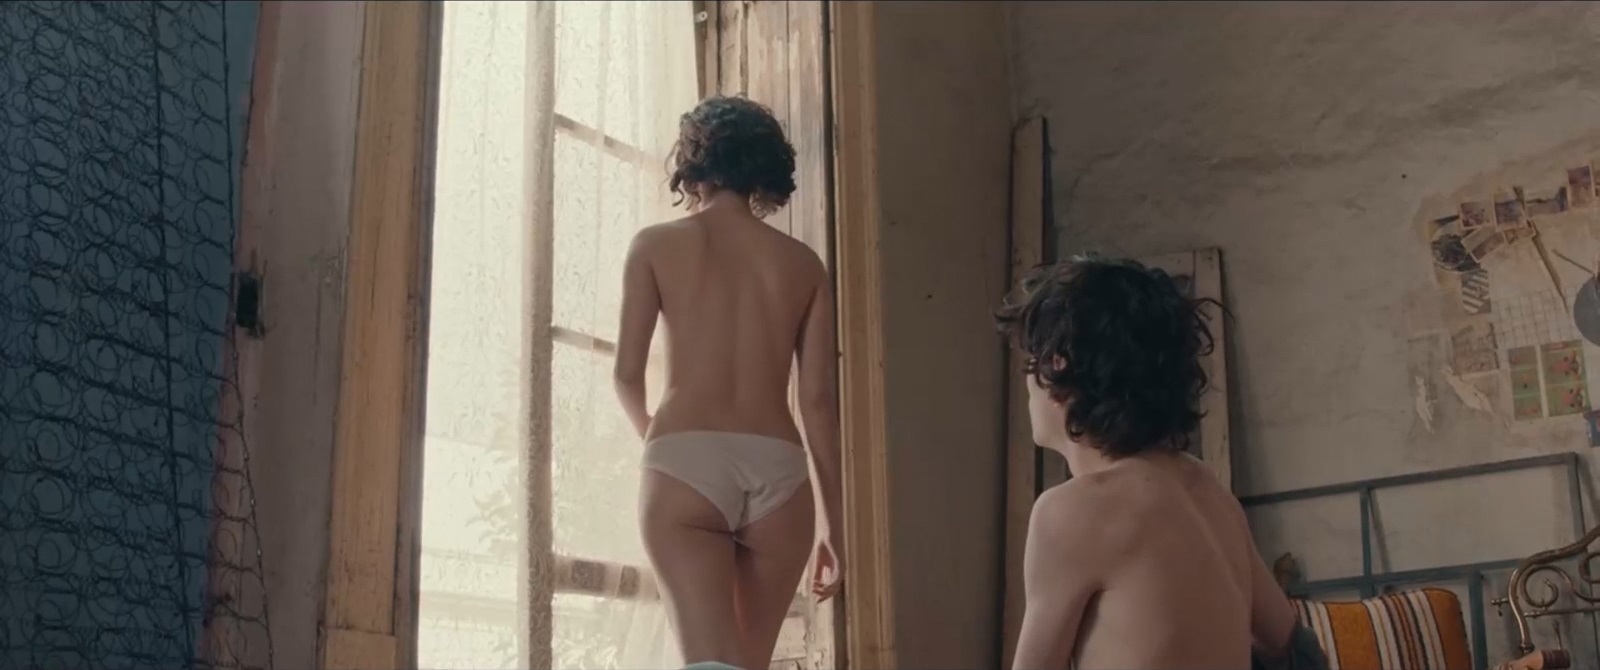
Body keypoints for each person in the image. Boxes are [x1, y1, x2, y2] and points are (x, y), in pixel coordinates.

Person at [995, 256, 1327, 670]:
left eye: (1031, 361)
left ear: (1057, 365)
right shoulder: (1204, 486)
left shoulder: (1070, 513)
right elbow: (1295, 652)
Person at [613, 95, 843, 670]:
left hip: (685, 456)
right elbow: (817, 401)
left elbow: (626, 376)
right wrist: (835, 526)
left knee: (710, 663)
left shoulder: (654, 245)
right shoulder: (804, 265)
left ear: (693, 162)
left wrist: (655, 438)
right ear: (764, 167)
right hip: (779, 470)